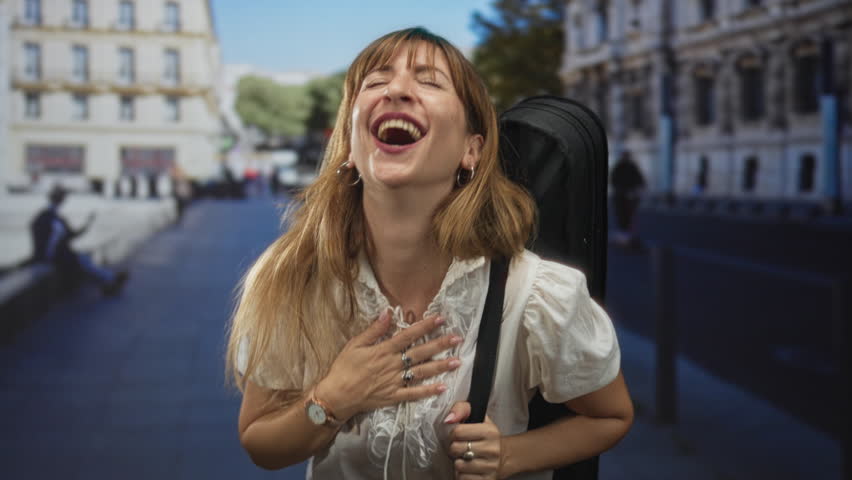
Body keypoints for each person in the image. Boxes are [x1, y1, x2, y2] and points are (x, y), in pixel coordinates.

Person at [227, 27, 633, 480]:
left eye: (429, 81)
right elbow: (260, 443)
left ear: (470, 150)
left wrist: (511, 455)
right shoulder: (293, 278)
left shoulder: (537, 294)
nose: (397, 89)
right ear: (349, 145)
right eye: (376, 82)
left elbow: (611, 416)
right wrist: (331, 401)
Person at [30, 185, 128, 296]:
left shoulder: (47, 216)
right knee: (83, 261)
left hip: (54, 255)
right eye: (62, 198)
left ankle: (110, 280)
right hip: (53, 257)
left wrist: (87, 223)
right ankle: (110, 280)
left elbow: (66, 236)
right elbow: (67, 237)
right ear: (60, 200)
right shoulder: (53, 218)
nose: (63, 200)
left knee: (83, 259)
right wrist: (88, 224)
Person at [610, 150, 646, 248]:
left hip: (627, 195)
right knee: (623, 216)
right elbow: (614, 180)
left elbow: (640, 180)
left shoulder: (625, 167)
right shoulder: (622, 167)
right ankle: (623, 236)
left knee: (627, 216)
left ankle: (625, 236)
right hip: (622, 195)